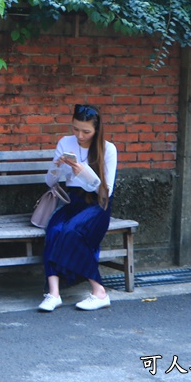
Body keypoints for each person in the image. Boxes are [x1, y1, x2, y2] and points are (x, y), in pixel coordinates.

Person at [38, 103, 117, 312]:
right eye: (75, 129)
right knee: (54, 230)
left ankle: (99, 291)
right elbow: (49, 182)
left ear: (96, 130)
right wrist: (56, 167)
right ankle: (53, 293)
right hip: (73, 201)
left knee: (73, 232)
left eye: (86, 131)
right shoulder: (65, 142)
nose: (80, 135)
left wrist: (84, 172)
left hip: (97, 205)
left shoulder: (108, 149)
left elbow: (106, 191)